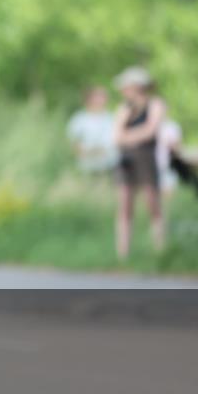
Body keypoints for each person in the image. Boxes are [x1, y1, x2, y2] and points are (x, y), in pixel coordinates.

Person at [113, 66, 167, 259]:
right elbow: (117, 137)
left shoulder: (155, 104)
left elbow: (150, 131)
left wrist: (128, 136)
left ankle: (160, 248)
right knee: (125, 203)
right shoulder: (124, 109)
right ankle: (123, 253)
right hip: (126, 158)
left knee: (152, 201)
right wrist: (134, 136)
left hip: (146, 157)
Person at [66, 86, 119, 174]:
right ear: (89, 99)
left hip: (110, 161)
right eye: (98, 97)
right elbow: (73, 141)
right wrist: (88, 152)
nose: (101, 100)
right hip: (87, 161)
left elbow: (116, 139)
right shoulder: (79, 118)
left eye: (103, 97)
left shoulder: (111, 118)